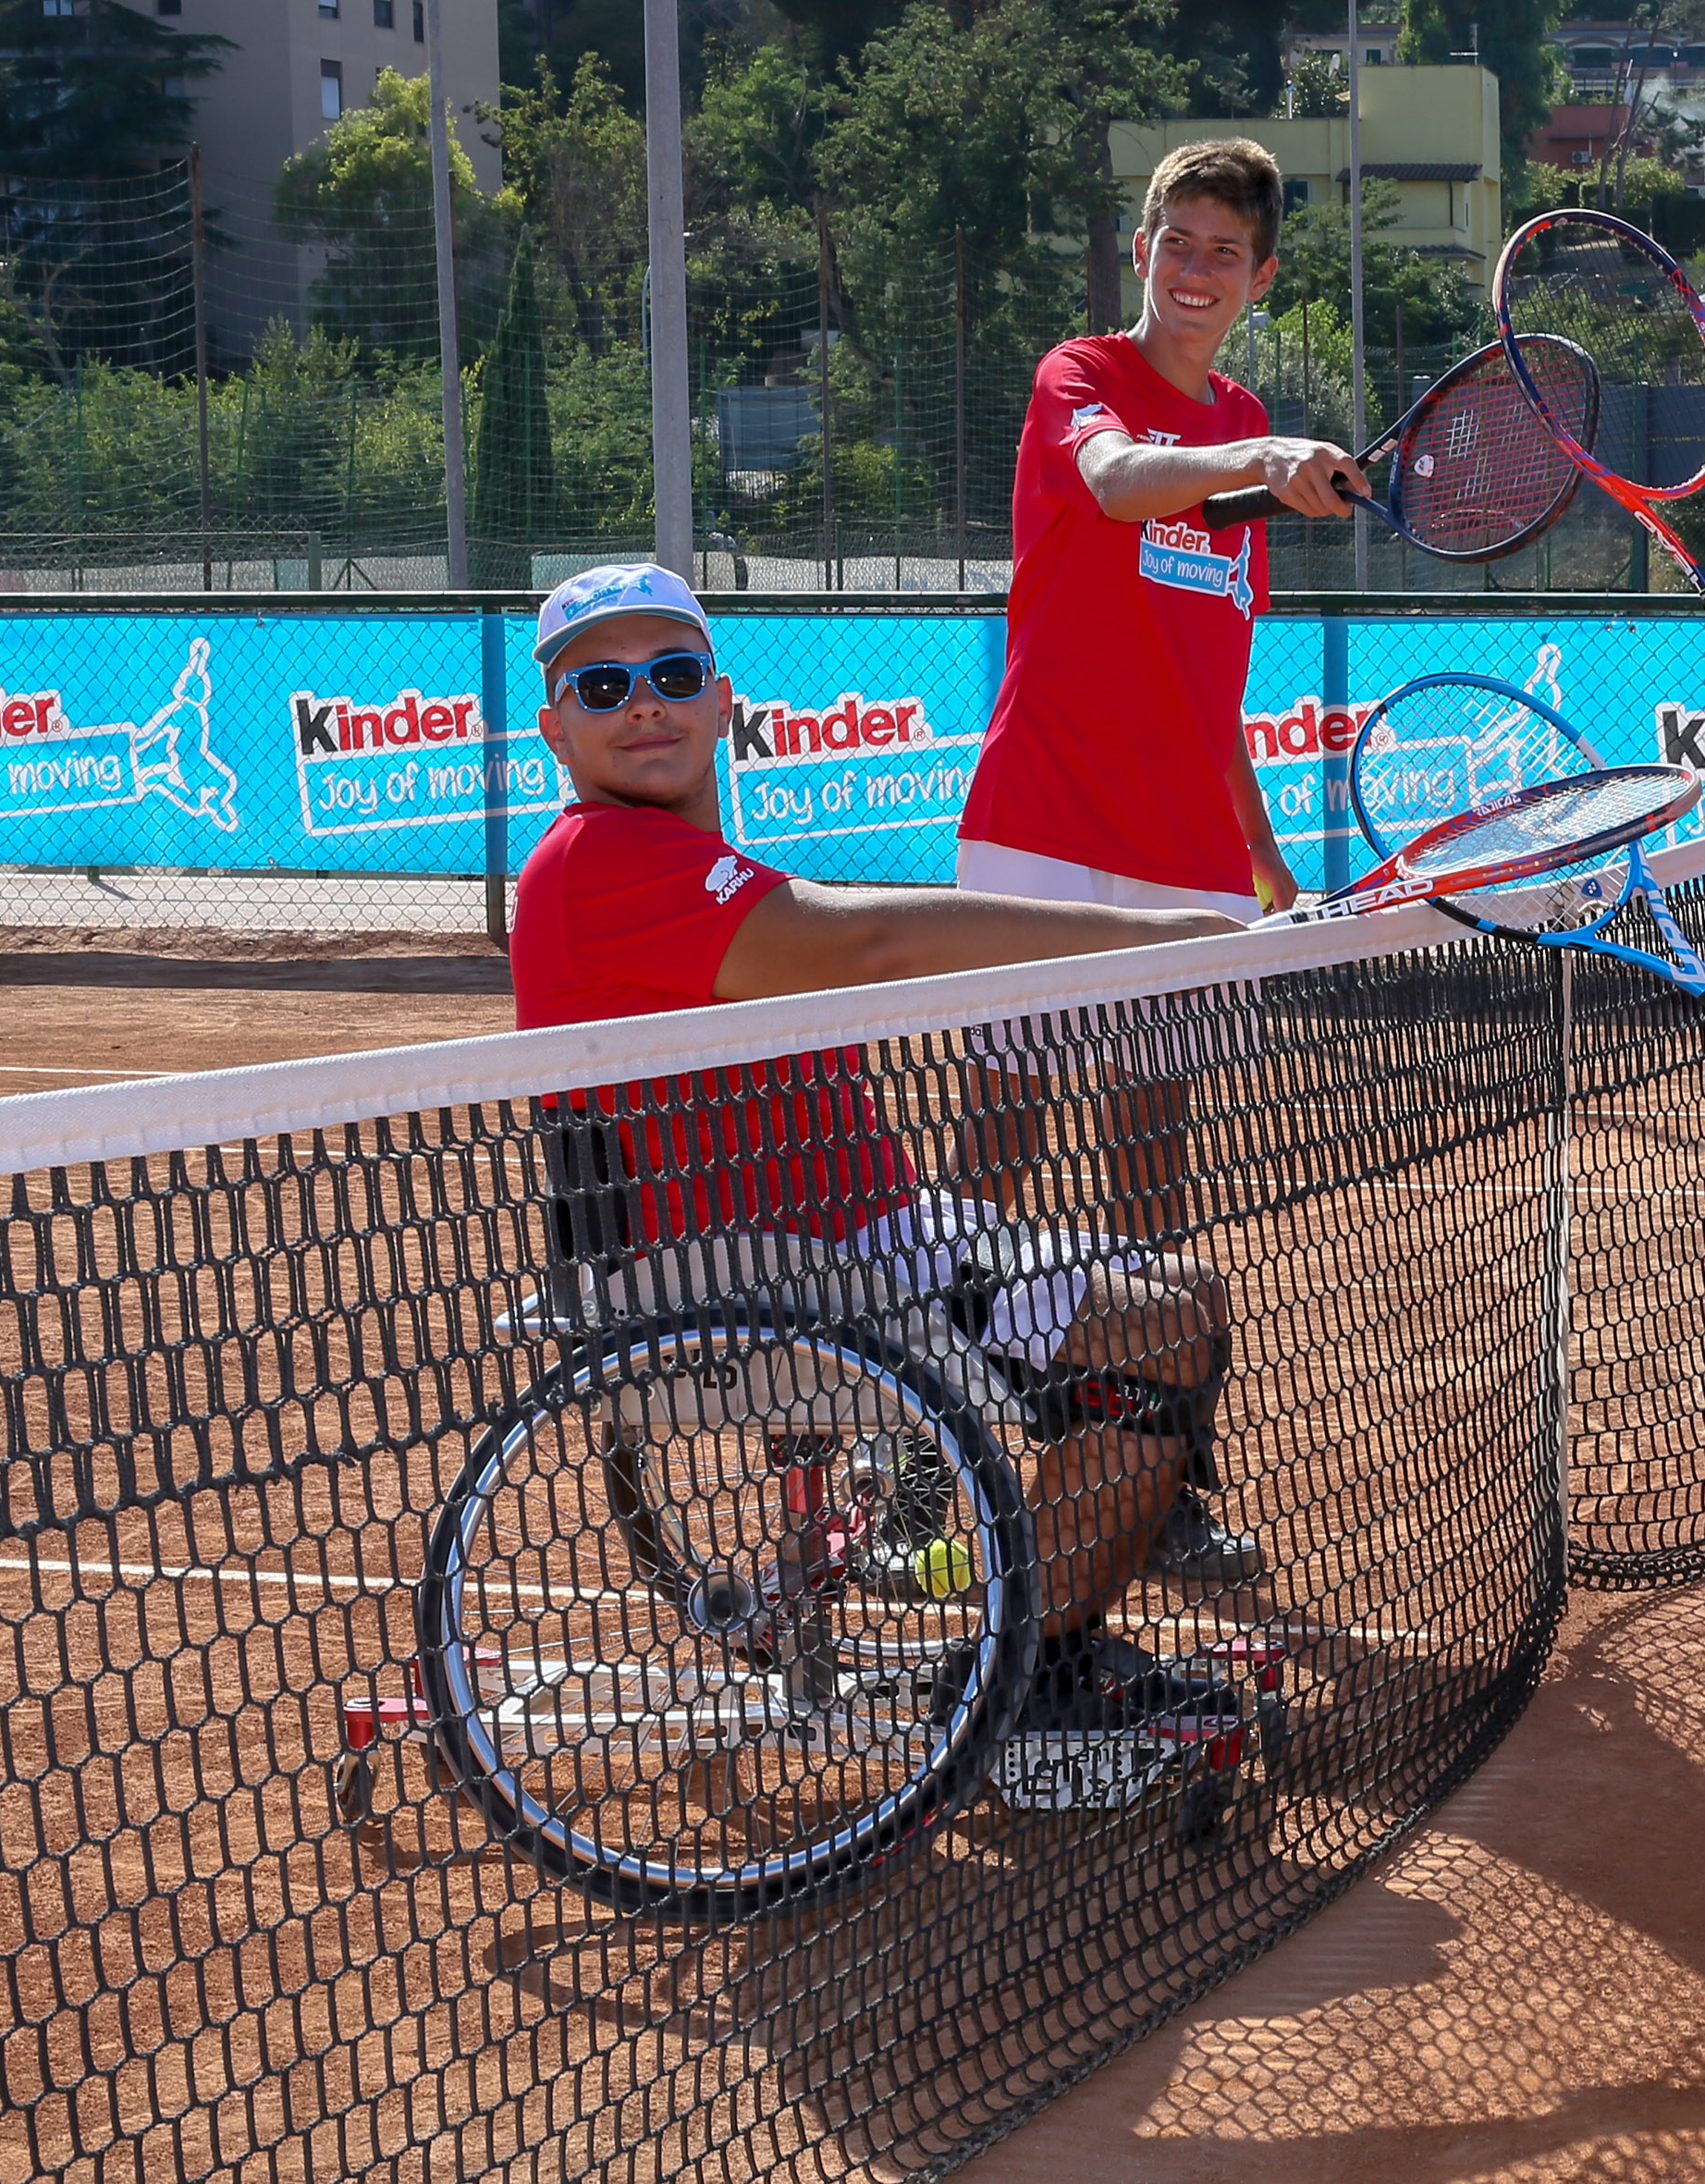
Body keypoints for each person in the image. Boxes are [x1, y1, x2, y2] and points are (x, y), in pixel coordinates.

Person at [512, 563, 1253, 1733]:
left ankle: (1049, 1640)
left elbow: (849, 945)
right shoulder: (597, 863)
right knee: (1155, 1330)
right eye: (603, 684)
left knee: (1188, 1297)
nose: (643, 702)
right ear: (554, 727)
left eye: (672, 673)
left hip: (859, 1251)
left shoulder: (702, 868)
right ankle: (1033, 1686)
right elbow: (872, 944)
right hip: (756, 1282)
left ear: (721, 700)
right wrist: (1152, 937)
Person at [955, 138, 1361, 1577]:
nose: (1192, 269)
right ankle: (938, 1438)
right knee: (991, 1159)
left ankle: (1151, 1460)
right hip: (1039, 833)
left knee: (1145, 1160)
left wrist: (1262, 867)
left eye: (1221, 251)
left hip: (1185, 855)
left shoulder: (1248, 417)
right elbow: (1121, 484)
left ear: (1260, 278)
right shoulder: (1080, 379)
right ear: (1142, 247)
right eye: (1172, 239)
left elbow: (1211, 686)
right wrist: (1256, 459)